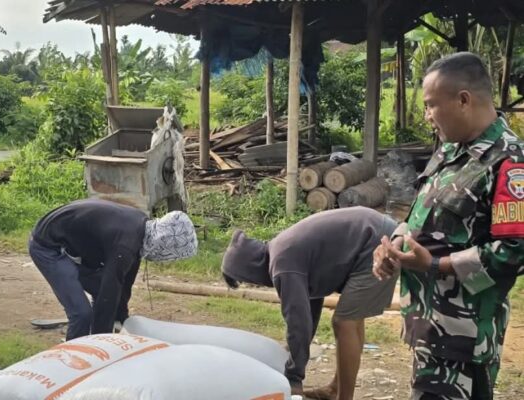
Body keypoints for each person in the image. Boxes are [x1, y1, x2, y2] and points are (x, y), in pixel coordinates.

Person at [373, 52, 524, 400]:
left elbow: (512, 252)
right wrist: (394, 247)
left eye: (431, 105)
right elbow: (420, 215)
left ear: (463, 100)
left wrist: (435, 265)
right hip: (428, 324)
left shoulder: (509, 161)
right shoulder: (450, 150)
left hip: (465, 337)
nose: (427, 116)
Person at [221, 207, 397, 400]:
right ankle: (335, 389)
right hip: (374, 231)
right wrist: (294, 356)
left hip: (376, 242)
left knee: (345, 321)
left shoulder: (282, 266)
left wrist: (294, 377)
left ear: (249, 269)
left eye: (246, 280)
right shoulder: (280, 251)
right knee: (352, 320)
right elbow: (309, 309)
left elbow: (299, 322)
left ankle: (343, 397)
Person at [29, 198, 197, 340]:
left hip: (72, 243)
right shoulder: (125, 246)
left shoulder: (141, 228)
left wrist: (121, 319)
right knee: (82, 314)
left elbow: (125, 282)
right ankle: (75, 359)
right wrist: (102, 341)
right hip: (49, 246)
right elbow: (110, 292)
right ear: (165, 244)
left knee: (103, 292)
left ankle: (92, 337)